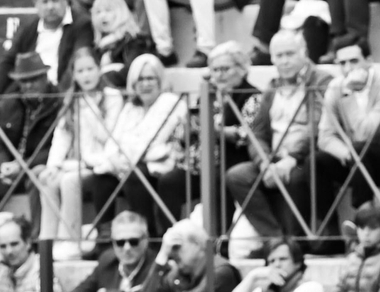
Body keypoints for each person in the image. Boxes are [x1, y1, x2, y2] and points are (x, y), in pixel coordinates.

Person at [225, 29, 333, 254]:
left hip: (303, 157)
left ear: (304, 53)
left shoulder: (321, 80)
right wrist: (265, 163)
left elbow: (318, 125)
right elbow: (257, 133)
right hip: (274, 159)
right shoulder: (272, 87)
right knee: (238, 176)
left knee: (294, 177)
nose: (284, 61)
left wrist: (292, 158)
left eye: (290, 54)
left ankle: (297, 242)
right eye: (279, 56)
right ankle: (275, 240)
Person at [155, 41, 259, 224]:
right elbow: (181, 136)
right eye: (215, 69)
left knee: (220, 180)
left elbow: (248, 134)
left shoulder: (251, 96)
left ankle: (219, 240)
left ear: (242, 68)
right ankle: (168, 239)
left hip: (231, 161)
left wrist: (216, 131)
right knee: (169, 182)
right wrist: (188, 128)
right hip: (198, 166)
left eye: (225, 69)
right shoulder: (207, 94)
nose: (219, 75)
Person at [38, 46, 125, 259]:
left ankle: (71, 241)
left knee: (69, 181)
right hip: (77, 162)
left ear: (99, 70)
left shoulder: (112, 97)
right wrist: (53, 165)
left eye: (90, 69)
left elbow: (109, 137)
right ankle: (47, 241)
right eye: (80, 71)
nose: (86, 75)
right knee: (46, 179)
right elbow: (62, 136)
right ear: (74, 74)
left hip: (102, 163)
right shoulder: (72, 100)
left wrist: (90, 109)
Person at [317, 39, 380, 225]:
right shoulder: (336, 86)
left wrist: (350, 95)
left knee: (360, 149)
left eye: (354, 61)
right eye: (342, 63)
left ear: (368, 60)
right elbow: (325, 137)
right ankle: (328, 234)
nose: (348, 68)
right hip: (357, 158)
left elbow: (364, 135)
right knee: (317, 161)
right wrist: (346, 153)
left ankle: (365, 222)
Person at [94, 54, 185, 238]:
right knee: (101, 179)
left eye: (150, 78)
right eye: (140, 79)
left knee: (136, 176)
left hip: (161, 164)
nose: (145, 84)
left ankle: (148, 234)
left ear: (160, 80)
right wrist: (114, 158)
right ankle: (104, 237)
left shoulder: (171, 102)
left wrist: (125, 155)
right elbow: (113, 141)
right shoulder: (131, 107)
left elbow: (152, 142)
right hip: (129, 164)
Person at [0, 51, 62, 227]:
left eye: (34, 79)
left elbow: (53, 149)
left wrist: (23, 166)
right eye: (24, 81)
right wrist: (2, 165)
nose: (29, 85)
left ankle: (37, 242)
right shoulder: (9, 103)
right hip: (7, 173)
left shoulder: (58, 102)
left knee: (39, 175)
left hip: (36, 168)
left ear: (45, 77)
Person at [0, 0, 89, 106]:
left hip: (62, 96)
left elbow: (78, 62)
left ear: (66, 0)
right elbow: (8, 61)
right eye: (45, 1)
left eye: (55, 0)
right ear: (36, 3)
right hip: (28, 97)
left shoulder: (82, 25)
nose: (50, 7)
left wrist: (59, 96)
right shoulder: (29, 29)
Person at [141, 218, 244, 292]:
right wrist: (162, 255)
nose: (172, 253)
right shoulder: (178, 273)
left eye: (176, 246)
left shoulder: (221, 271)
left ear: (197, 244)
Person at [64, 210, 157, 292]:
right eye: (120, 242)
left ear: (146, 240)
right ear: (113, 242)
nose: (127, 248)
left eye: (133, 241)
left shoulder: (156, 266)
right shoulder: (107, 261)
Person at [224, 237, 326, 292]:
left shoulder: (311, 287)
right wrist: (252, 276)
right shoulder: (267, 291)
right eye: (272, 261)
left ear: (297, 263)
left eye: (283, 259)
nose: (277, 265)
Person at [87, 0, 157, 88]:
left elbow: (132, 72)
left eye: (108, 10)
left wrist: (104, 72)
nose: (102, 16)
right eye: (98, 12)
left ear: (121, 12)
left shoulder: (133, 41)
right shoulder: (99, 46)